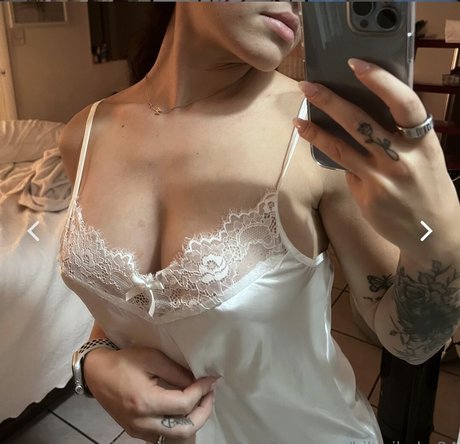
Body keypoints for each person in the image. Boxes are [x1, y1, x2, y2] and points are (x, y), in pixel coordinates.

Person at [58, 3, 460, 444]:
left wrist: (440, 239)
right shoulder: (83, 134)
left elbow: (408, 342)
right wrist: (92, 363)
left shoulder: (320, 133)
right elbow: (124, 303)